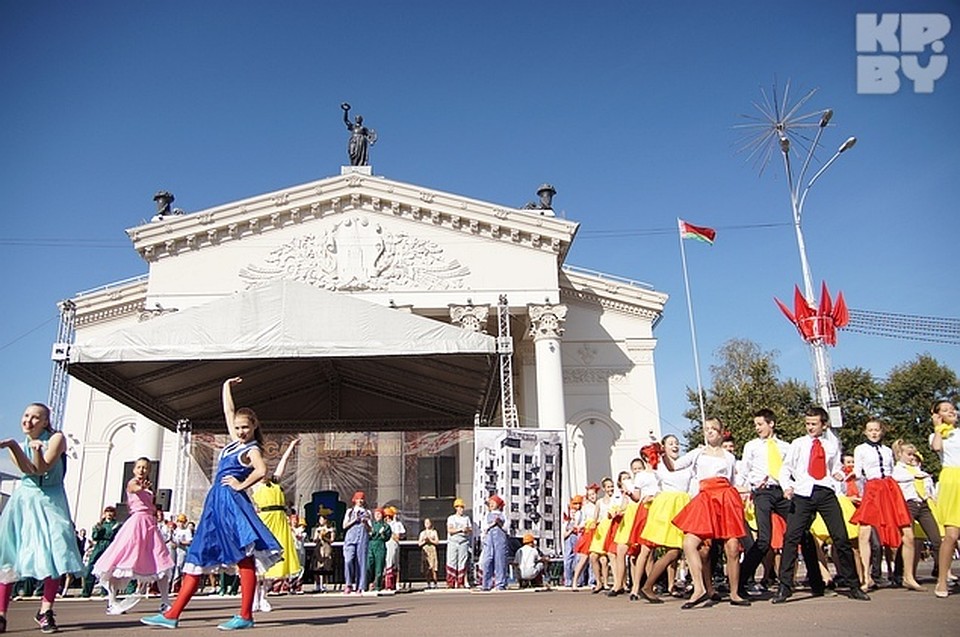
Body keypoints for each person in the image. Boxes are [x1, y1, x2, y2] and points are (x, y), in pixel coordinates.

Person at [141, 377, 282, 630]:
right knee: (198, 556)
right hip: (215, 504)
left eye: (245, 428)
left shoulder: (251, 449)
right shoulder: (234, 444)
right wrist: (226, 387)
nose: (240, 431)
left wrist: (240, 485)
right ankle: (173, 613)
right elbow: (229, 411)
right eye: (238, 428)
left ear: (253, 427)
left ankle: (245, 615)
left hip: (230, 504)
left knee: (243, 556)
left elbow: (262, 470)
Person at [0, 403, 85, 634]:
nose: (28, 421)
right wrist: (13, 446)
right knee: (10, 553)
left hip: (51, 498)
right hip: (25, 500)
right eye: (26, 415)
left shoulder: (56, 438)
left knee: (56, 550)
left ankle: (45, 610)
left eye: (35, 417)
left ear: (45, 422)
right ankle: (1, 613)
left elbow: (41, 468)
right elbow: (27, 471)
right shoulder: (20, 443)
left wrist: (35, 449)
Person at [771, 406, 869, 604]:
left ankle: (853, 584)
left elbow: (834, 468)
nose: (810, 427)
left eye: (814, 424)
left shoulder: (831, 445)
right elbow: (786, 469)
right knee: (792, 537)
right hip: (802, 493)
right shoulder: (798, 444)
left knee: (840, 537)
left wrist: (839, 475)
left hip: (824, 492)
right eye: (807, 423)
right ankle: (785, 586)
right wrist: (787, 486)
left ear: (824, 425)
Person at [666, 418, 751, 608]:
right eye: (706, 429)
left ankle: (735, 593)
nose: (709, 432)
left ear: (721, 432)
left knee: (732, 546)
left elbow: (732, 480)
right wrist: (661, 452)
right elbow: (674, 466)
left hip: (725, 498)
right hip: (705, 499)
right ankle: (699, 587)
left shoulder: (729, 457)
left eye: (713, 429)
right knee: (689, 542)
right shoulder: (697, 453)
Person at [737, 409, 820, 598]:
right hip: (762, 493)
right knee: (764, 540)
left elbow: (792, 470)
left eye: (760, 424)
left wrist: (792, 488)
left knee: (801, 532)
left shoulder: (786, 446)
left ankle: (816, 581)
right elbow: (744, 470)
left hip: (782, 492)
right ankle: (740, 581)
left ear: (771, 424)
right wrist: (745, 487)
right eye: (756, 425)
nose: (757, 428)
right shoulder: (751, 446)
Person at [93, 457, 176, 615]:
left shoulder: (149, 487)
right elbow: (133, 489)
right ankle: (112, 601)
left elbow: (149, 501)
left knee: (161, 561)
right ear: (134, 469)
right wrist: (140, 488)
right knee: (122, 560)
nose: (142, 470)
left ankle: (165, 601)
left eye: (145, 468)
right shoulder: (133, 483)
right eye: (139, 467)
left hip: (150, 524)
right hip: (136, 524)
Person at [849, 419, 922, 591]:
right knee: (864, 532)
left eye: (876, 430)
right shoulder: (861, 449)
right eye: (870, 430)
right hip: (873, 489)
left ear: (881, 432)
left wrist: (913, 476)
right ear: (865, 432)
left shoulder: (887, 450)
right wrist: (850, 479)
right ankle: (866, 577)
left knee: (908, 533)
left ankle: (908, 576)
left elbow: (893, 472)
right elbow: (859, 472)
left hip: (890, 488)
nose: (874, 433)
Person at [636, 435, 692, 603]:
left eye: (676, 443)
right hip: (669, 506)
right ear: (664, 447)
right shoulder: (660, 464)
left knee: (679, 550)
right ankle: (647, 585)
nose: (675, 446)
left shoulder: (684, 463)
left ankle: (700, 586)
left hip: (684, 503)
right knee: (674, 550)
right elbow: (654, 479)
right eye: (670, 443)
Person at [251, 438, 302, 612]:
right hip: (265, 522)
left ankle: (264, 596)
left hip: (280, 521)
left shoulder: (275, 482)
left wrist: (291, 446)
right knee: (260, 562)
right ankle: (255, 598)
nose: (265, 472)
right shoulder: (255, 485)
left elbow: (283, 463)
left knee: (275, 562)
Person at [891, 439, 941, 588]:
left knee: (937, 539)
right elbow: (896, 478)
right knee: (907, 539)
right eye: (909, 454)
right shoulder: (898, 469)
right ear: (900, 454)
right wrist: (914, 476)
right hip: (909, 504)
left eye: (914, 455)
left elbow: (927, 483)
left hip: (923, 504)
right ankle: (900, 573)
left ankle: (940, 569)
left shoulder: (918, 470)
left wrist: (928, 491)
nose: (912, 458)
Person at [930, 399, 960, 598]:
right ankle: (942, 580)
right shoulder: (938, 435)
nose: (952, 411)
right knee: (951, 535)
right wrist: (938, 427)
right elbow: (936, 448)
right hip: (951, 479)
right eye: (946, 410)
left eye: (953, 408)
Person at [82, 506, 121, 598]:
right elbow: (94, 536)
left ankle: (105, 591)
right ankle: (86, 592)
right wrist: (99, 530)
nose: (109, 514)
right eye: (107, 512)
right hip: (99, 546)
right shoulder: (100, 524)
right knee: (90, 568)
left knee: (108, 569)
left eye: (111, 512)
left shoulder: (117, 525)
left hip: (110, 547)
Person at [342, 491, 372, 594]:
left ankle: (360, 586)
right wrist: (354, 520)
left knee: (361, 562)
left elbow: (370, 530)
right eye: (358, 499)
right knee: (348, 560)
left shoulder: (367, 512)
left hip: (362, 538)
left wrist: (365, 523)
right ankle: (348, 583)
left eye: (362, 499)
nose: (360, 501)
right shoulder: (350, 512)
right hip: (350, 538)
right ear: (354, 500)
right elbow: (344, 526)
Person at [480, 494, 509, 591]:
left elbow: (507, 528)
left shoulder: (503, 515)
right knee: (487, 560)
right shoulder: (487, 515)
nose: (491, 504)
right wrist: (493, 524)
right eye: (490, 503)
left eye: (493, 502)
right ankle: (486, 584)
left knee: (500, 560)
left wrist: (500, 523)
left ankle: (500, 584)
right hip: (489, 539)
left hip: (500, 540)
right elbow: (484, 528)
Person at [445, 498, 472, 588]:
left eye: (462, 507)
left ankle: (461, 582)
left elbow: (470, 530)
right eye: (459, 507)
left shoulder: (466, 518)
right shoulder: (451, 518)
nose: (461, 509)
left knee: (462, 562)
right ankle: (451, 582)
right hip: (453, 542)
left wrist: (466, 529)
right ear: (456, 508)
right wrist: (460, 529)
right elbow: (450, 530)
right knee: (451, 561)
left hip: (463, 542)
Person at [310, 511, 335, 592]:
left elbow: (332, 540)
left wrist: (325, 537)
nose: (321, 520)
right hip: (318, 548)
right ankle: (317, 585)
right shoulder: (317, 529)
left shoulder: (331, 529)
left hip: (327, 548)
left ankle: (324, 585)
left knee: (326, 566)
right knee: (317, 566)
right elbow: (314, 539)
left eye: (323, 519)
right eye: (320, 519)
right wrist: (318, 537)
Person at [366, 508, 390, 591]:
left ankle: (378, 586)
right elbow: (367, 534)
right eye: (376, 514)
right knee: (368, 565)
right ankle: (366, 585)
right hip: (371, 545)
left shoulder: (385, 526)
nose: (377, 516)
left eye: (379, 514)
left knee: (379, 568)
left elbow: (387, 537)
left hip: (380, 546)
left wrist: (382, 534)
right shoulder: (371, 525)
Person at [383, 506, 405, 591]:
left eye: (389, 516)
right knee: (386, 564)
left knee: (395, 564)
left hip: (394, 545)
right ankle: (386, 583)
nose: (387, 518)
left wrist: (392, 534)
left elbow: (399, 536)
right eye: (386, 516)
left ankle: (396, 583)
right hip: (385, 545)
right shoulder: (384, 524)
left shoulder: (397, 524)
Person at [418, 518, 439, 589]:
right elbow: (419, 543)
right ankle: (428, 583)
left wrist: (430, 540)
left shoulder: (434, 532)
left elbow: (437, 542)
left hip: (432, 550)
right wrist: (425, 541)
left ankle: (435, 583)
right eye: (425, 523)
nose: (427, 524)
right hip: (425, 550)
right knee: (426, 568)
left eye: (428, 522)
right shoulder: (422, 533)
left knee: (433, 568)